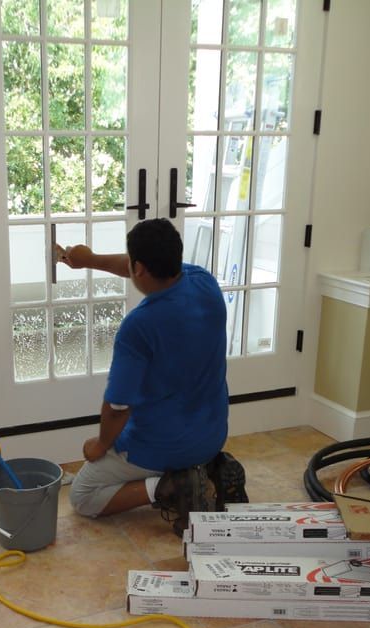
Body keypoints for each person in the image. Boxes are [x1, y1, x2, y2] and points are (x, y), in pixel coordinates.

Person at [55, 218, 247, 534]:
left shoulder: (139, 326)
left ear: (140, 269)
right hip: (212, 434)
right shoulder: (204, 282)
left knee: (83, 496)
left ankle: (169, 486)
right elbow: (137, 265)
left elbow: (118, 406)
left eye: (133, 264)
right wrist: (90, 260)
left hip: (162, 445)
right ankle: (208, 469)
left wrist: (101, 445)